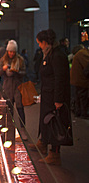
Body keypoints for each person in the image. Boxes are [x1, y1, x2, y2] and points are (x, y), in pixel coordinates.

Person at [29, 29, 72, 165]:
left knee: (55, 123)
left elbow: (60, 79)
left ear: (45, 42)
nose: (39, 46)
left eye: (40, 43)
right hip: (48, 95)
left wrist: (58, 100)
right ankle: (43, 143)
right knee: (46, 121)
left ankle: (54, 154)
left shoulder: (58, 55)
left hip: (55, 97)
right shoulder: (49, 53)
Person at [0, 40, 26, 124]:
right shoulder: (3, 59)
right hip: (7, 87)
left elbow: (24, 72)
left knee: (20, 107)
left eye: (13, 52)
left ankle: (23, 127)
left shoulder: (20, 60)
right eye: (10, 52)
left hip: (18, 86)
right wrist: (3, 69)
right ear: (7, 51)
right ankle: (10, 126)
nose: (11, 54)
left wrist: (17, 72)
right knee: (8, 109)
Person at [70, 45, 89, 119]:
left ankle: (78, 112)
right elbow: (87, 67)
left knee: (78, 97)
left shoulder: (79, 54)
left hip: (75, 80)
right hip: (81, 81)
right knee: (83, 98)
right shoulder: (83, 54)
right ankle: (84, 113)